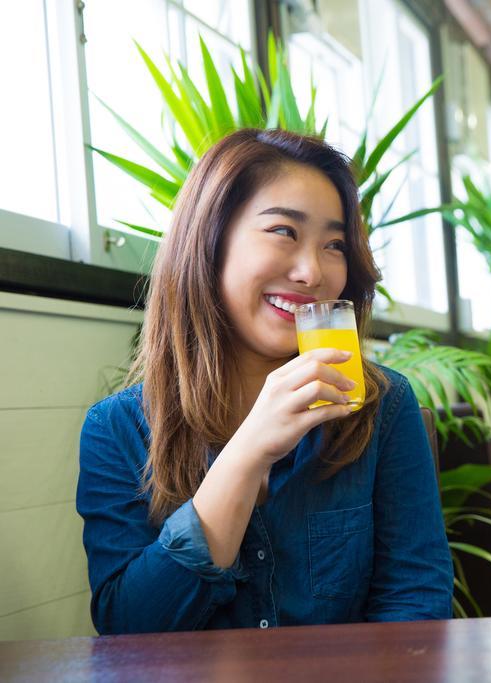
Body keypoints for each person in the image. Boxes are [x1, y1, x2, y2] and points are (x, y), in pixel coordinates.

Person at [77, 129, 453, 634]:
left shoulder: (382, 407)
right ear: (209, 242)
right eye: (284, 231)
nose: (311, 271)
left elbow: (416, 604)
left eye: (335, 244)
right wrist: (247, 452)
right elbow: (129, 630)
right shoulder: (115, 429)